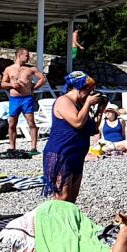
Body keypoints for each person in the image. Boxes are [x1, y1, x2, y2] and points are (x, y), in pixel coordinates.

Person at [43, 71, 103, 202]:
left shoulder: (79, 105)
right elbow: (77, 122)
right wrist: (88, 104)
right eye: (89, 90)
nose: (91, 94)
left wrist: (100, 109)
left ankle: (67, 222)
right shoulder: (63, 101)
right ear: (79, 89)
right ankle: (54, 222)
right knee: (62, 197)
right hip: (61, 153)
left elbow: (92, 129)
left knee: (72, 198)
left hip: (76, 156)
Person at [1, 48, 47, 154]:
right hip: (14, 99)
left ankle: (33, 147)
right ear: (19, 55)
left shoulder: (30, 69)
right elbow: (3, 84)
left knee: (31, 122)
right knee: (12, 123)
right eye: (26, 55)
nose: (28, 57)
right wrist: (11, 85)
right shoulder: (9, 69)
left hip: (27, 98)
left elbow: (43, 78)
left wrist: (34, 87)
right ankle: (12, 147)